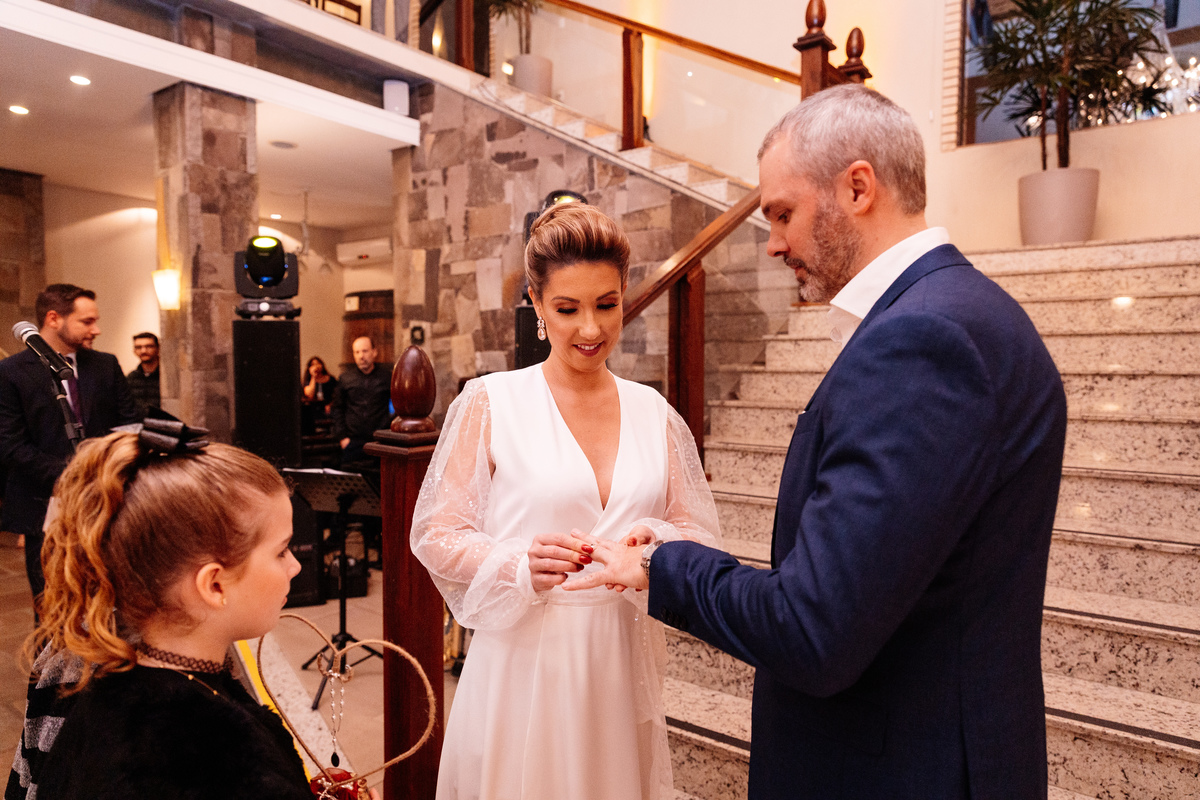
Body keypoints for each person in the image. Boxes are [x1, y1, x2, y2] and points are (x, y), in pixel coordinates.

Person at [569, 85, 1068, 799]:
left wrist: (665, 566)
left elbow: (814, 628)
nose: (771, 242)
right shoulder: (957, 314)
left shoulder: (924, 341)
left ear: (858, 187)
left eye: (783, 213)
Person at [410, 202, 721, 800]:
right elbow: (436, 533)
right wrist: (516, 563)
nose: (590, 329)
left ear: (625, 292)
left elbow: (699, 531)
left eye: (607, 305)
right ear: (535, 301)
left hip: (617, 665)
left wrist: (652, 546)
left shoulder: (653, 411)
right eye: (567, 308)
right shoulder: (491, 401)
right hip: (523, 667)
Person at [9, 429, 310, 800]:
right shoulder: (219, 765)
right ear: (214, 584)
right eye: (281, 552)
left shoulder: (108, 692)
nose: (295, 566)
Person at [0, 284, 140, 604]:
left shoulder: (105, 365)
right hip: (45, 503)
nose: (97, 329)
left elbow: (129, 422)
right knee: (52, 606)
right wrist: (73, 477)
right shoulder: (10, 372)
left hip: (105, 501)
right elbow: (10, 445)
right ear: (53, 319)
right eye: (87, 321)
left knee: (109, 601)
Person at [330, 336, 391, 467]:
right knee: (349, 482)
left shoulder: (387, 377)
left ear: (374, 352)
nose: (361, 356)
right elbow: (337, 408)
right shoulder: (346, 378)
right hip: (353, 441)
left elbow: (396, 407)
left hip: (380, 442)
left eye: (365, 351)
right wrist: (342, 438)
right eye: (357, 352)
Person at [125, 331, 161, 415]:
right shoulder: (131, 378)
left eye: (149, 346)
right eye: (138, 347)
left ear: (158, 348)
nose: (143, 351)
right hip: (138, 424)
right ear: (134, 351)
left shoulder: (167, 378)